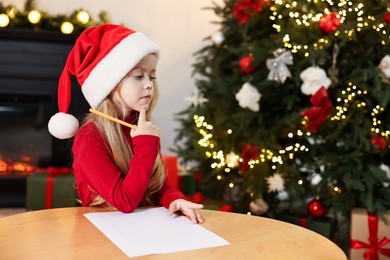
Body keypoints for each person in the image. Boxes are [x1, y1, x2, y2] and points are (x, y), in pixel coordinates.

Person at [47, 24, 204, 223]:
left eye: (152, 76)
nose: (149, 84)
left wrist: (175, 199)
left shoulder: (139, 126)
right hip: (102, 234)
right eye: (139, 76)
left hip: (139, 228)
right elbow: (125, 202)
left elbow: (155, 188)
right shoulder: (90, 137)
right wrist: (146, 144)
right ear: (110, 85)